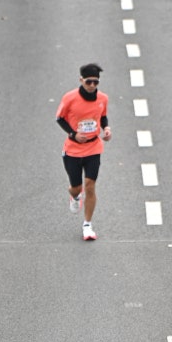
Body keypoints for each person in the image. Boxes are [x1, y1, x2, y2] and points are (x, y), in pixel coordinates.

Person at [56, 63, 112, 242]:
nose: (92, 86)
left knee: (90, 185)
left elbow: (102, 116)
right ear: (81, 80)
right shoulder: (70, 98)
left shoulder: (103, 98)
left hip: (93, 147)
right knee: (77, 187)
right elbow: (60, 118)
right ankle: (74, 196)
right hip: (72, 149)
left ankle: (87, 225)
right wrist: (73, 134)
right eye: (89, 82)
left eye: (96, 82)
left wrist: (106, 128)